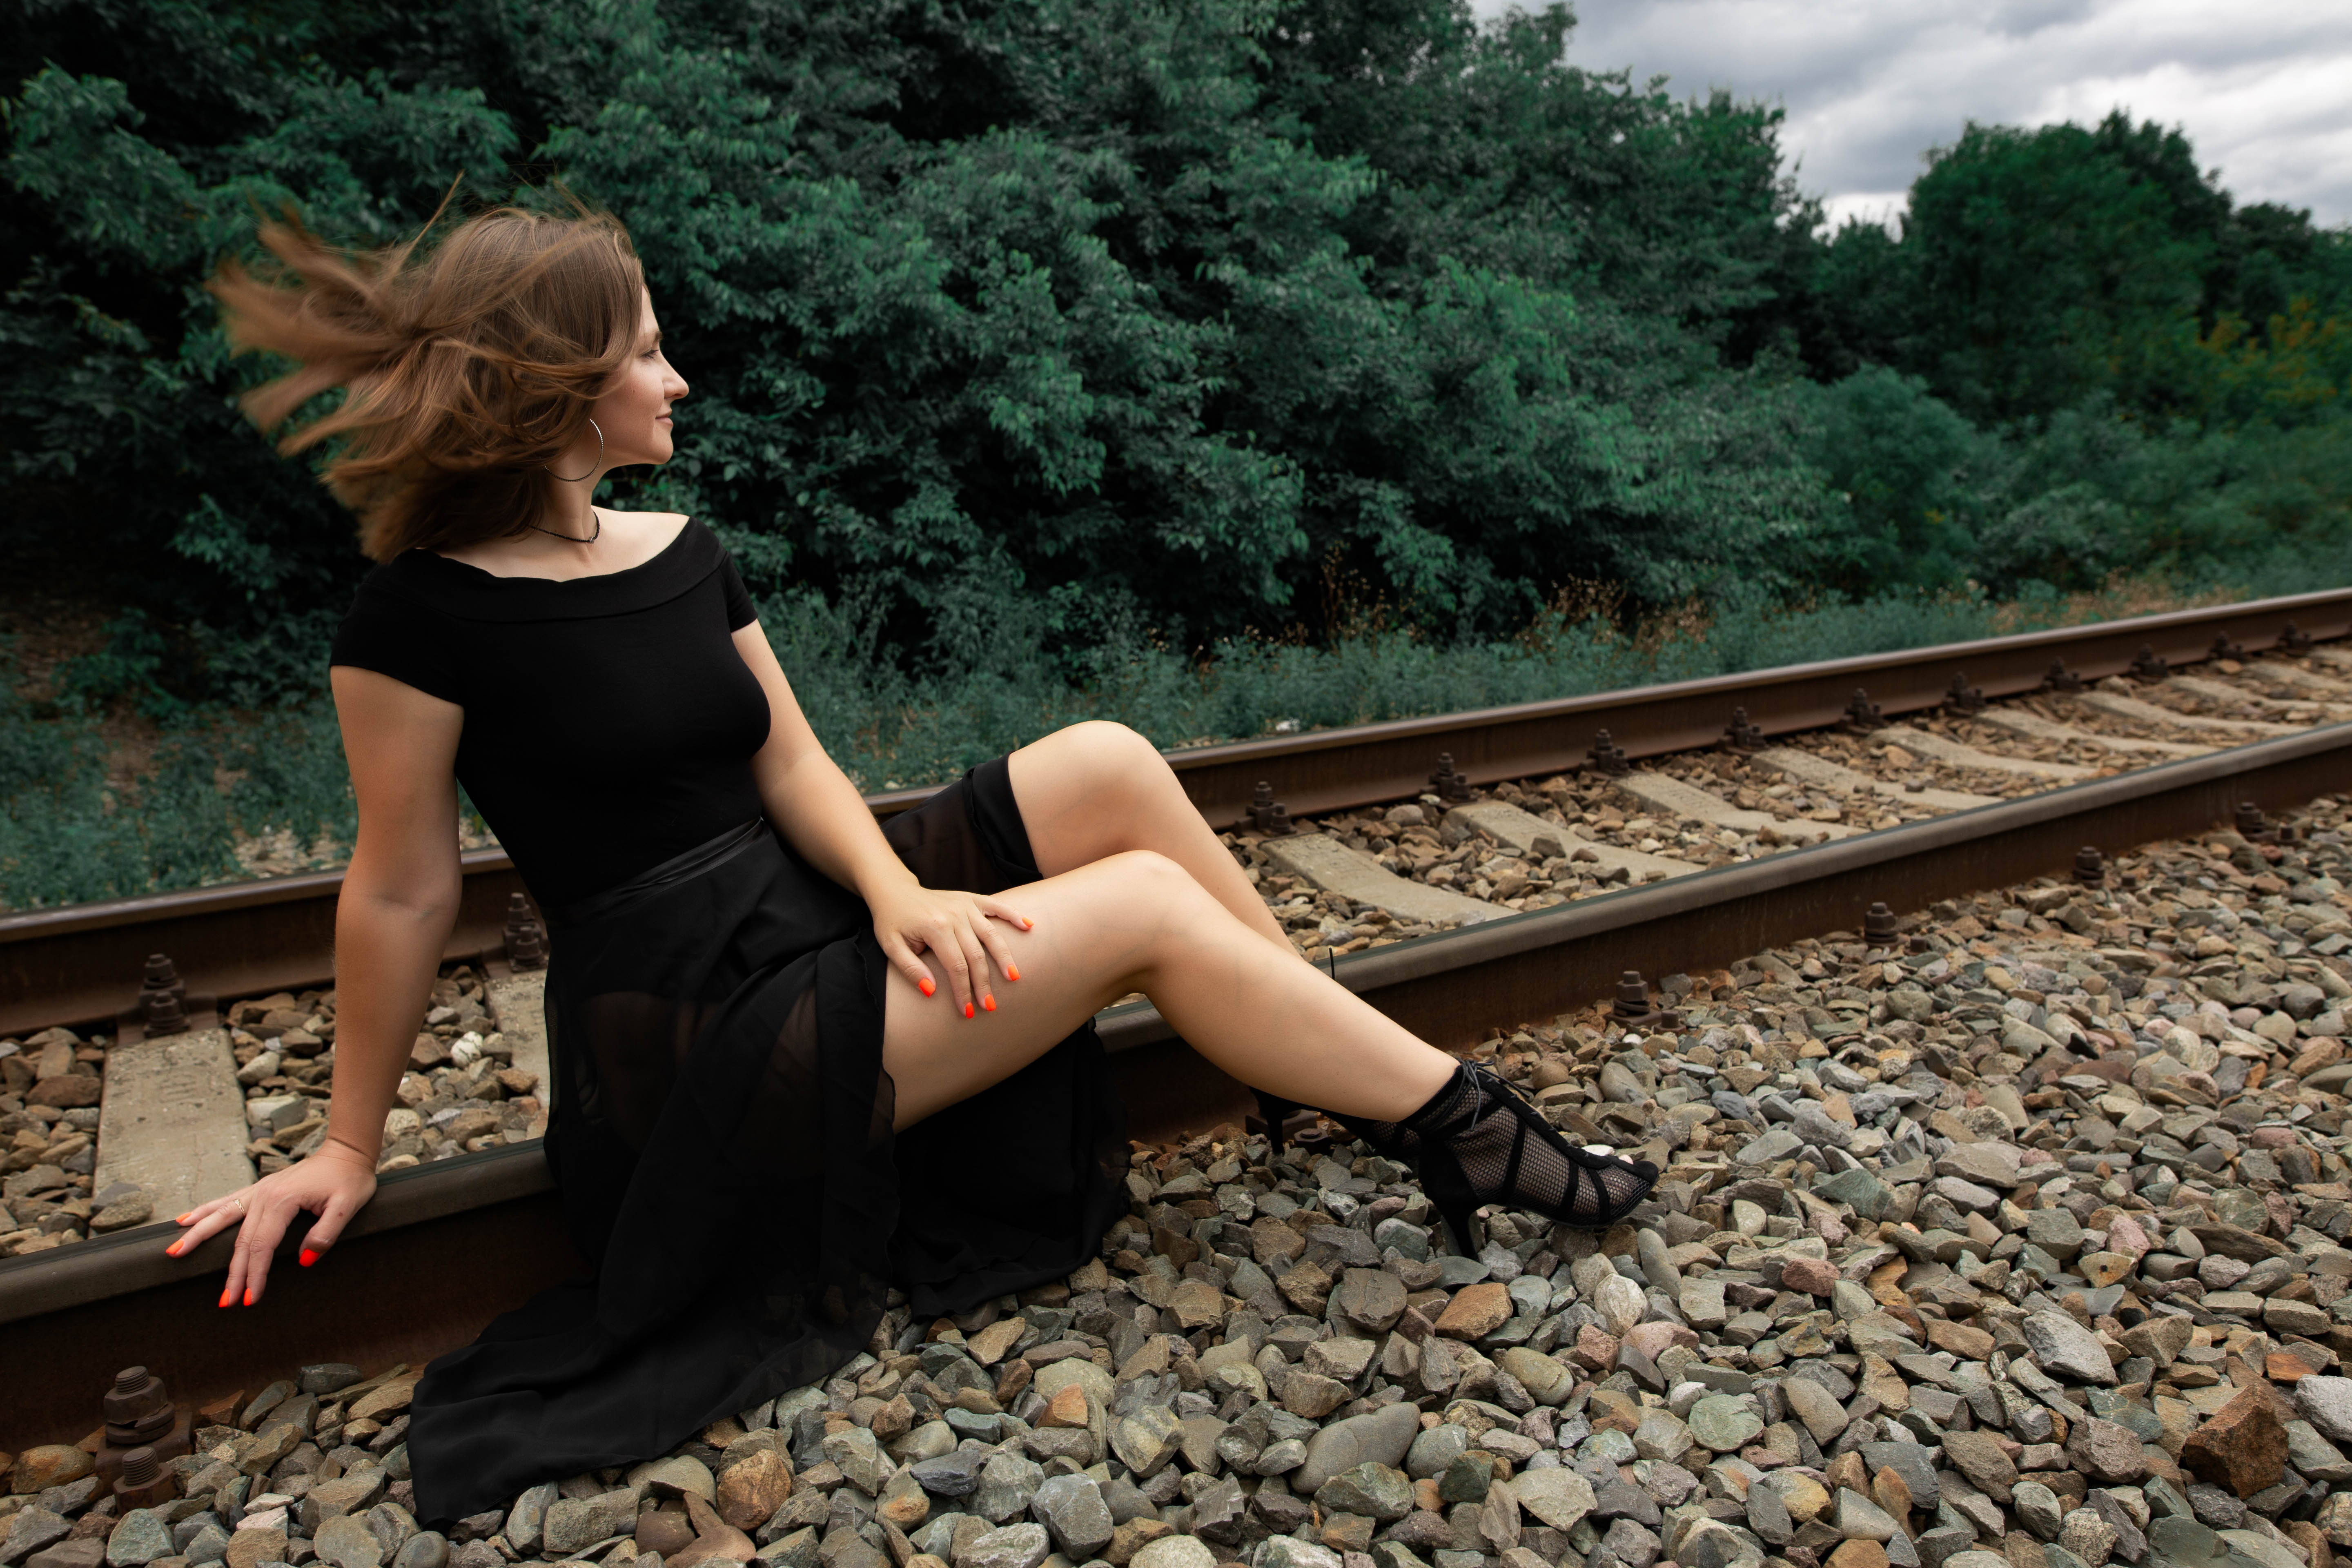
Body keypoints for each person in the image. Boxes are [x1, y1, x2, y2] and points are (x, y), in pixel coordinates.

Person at [162, 202, 1656, 1524]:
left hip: (805, 901)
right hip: (700, 1028)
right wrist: (346, 1146)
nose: (678, 381)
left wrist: (896, 892)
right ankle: (1467, 1130)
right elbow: (402, 889)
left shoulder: (680, 550)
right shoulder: (418, 617)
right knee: (1141, 908)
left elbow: (796, 768)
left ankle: (1303, 1055)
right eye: (648, 354)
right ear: (557, 382)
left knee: (1109, 761)